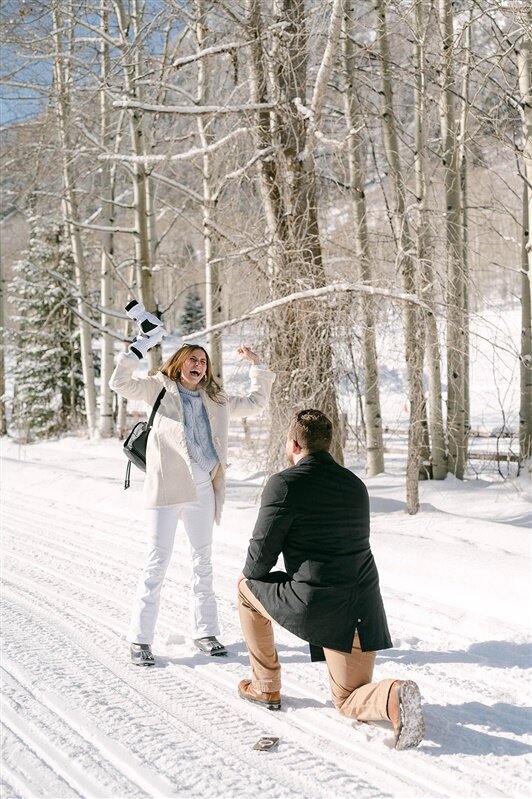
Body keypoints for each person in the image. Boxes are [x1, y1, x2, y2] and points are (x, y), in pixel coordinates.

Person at [237, 409, 425, 750]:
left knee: (245, 588)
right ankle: (392, 695)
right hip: (362, 608)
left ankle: (265, 686)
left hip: (320, 605)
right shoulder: (355, 485)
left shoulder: (285, 483)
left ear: (293, 444)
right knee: (350, 698)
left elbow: (256, 567)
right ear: (329, 443)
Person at [110, 300, 275, 666]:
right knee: (157, 563)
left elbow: (257, 402)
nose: (198, 365)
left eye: (203, 362)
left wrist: (258, 367)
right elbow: (118, 382)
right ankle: (139, 640)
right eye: (192, 359)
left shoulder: (215, 399)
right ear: (179, 363)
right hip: (166, 490)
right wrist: (140, 345)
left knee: (203, 562)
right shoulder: (158, 389)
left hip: (203, 491)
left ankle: (206, 632)